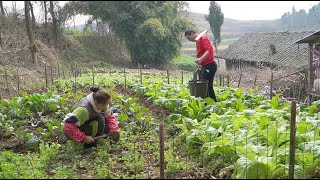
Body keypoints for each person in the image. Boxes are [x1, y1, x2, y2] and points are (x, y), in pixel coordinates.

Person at [185, 29, 218, 102]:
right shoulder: (197, 41)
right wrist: (200, 62)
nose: (189, 40)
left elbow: (209, 50)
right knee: (207, 86)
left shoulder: (203, 38)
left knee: (206, 86)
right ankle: (211, 103)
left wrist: (201, 59)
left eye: (189, 38)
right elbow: (202, 52)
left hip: (210, 65)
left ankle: (211, 103)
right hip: (205, 65)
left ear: (192, 34)